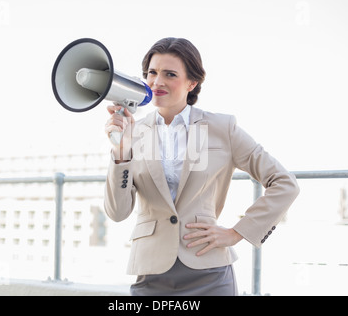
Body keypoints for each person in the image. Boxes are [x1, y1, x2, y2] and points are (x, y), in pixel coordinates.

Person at [103, 37, 300, 296]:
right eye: (152, 72)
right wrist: (121, 153)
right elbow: (117, 212)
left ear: (192, 83)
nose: (157, 82)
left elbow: (284, 182)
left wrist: (237, 232)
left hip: (210, 272)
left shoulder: (221, 128)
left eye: (169, 74)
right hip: (151, 273)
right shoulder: (134, 133)